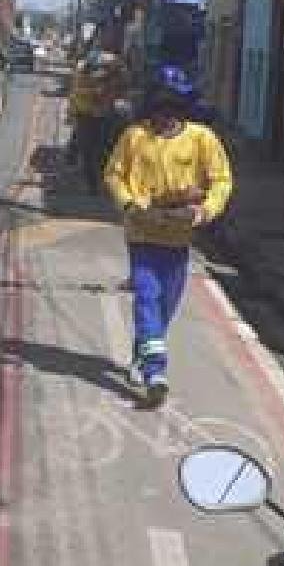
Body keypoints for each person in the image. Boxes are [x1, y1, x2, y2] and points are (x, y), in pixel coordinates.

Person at [103, 66, 233, 407]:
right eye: (159, 105)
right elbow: (115, 175)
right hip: (142, 234)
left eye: (172, 106)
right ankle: (155, 375)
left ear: (182, 107)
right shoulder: (134, 137)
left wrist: (205, 209)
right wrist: (130, 205)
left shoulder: (203, 139)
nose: (164, 114)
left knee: (163, 308)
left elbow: (221, 181)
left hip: (179, 239)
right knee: (147, 297)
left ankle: (142, 352)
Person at [68, 51, 126, 194]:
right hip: (85, 115)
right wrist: (96, 91)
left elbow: (122, 79)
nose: (100, 73)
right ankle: (91, 184)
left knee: (103, 149)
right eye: (97, 70)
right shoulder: (82, 74)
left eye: (103, 69)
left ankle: (102, 179)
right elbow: (80, 93)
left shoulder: (112, 71)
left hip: (102, 116)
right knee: (87, 150)